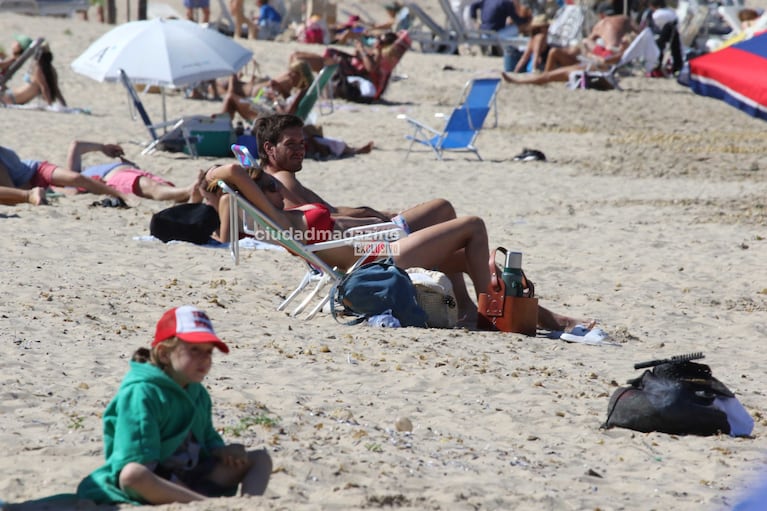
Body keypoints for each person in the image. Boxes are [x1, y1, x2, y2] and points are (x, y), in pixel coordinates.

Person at [205, 162, 593, 331]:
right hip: (380, 257)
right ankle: (489, 315)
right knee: (473, 226)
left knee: (464, 258)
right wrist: (216, 179)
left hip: (377, 247)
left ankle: (544, 319)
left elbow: (242, 175)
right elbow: (234, 172)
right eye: (268, 186)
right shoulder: (278, 220)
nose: (277, 187)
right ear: (255, 195)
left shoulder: (285, 216)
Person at [76, 305, 272, 505]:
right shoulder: (142, 392)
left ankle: (250, 504)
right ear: (163, 354)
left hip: (192, 475)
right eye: (194, 349)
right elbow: (137, 459)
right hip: (157, 481)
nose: (204, 359)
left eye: (209, 352)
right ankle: (207, 505)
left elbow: (207, 439)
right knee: (132, 475)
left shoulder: (197, 392)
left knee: (259, 459)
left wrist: (223, 450)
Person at [289, 30, 410, 102]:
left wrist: (362, 50)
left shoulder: (381, 54)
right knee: (295, 56)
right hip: (342, 65)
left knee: (299, 59)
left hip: (342, 70)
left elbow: (370, 68)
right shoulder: (378, 53)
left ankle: (297, 87)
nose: (377, 40)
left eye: (380, 39)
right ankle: (297, 86)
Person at [65, 141, 204, 202]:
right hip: (117, 178)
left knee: (164, 189)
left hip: (133, 171)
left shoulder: (85, 172)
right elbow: (75, 145)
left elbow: (76, 145)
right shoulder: (74, 178)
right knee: (153, 188)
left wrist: (103, 148)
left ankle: (186, 194)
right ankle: (188, 191)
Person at [0, 144, 133, 207]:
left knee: (76, 179)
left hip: (35, 170)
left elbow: (12, 190)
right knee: (73, 188)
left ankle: (122, 195)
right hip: (29, 187)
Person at [536, 4, 635, 74]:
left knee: (577, 45)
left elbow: (590, 43)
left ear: (601, 15)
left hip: (602, 58)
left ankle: (546, 73)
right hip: (611, 55)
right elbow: (640, 32)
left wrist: (589, 52)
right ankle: (548, 72)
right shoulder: (624, 19)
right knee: (577, 46)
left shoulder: (600, 24)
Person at [220, 60, 314, 122]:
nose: (288, 76)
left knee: (230, 98)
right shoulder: (306, 92)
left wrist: (275, 99)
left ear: (299, 75)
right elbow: (291, 106)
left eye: (291, 74)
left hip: (271, 118)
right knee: (239, 99)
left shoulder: (302, 92)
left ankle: (220, 128)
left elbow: (287, 115)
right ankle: (223, 127)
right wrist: (282, 92)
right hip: (272, 114)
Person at [0, 43, 66, 107]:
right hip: (13, 97)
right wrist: (62, 104)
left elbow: (46, 88)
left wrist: (51, 105)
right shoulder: (50, 69)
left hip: (13, 97)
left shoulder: (38, 68)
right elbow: (53, 89)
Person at [641, 0, 682, 76]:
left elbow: (655, 28)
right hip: (673, 33)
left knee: (658, 47)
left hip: (664, 34)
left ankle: (656, 67)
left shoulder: (656, 14)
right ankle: (677, 68)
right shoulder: (671, 12)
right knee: (676, 51)